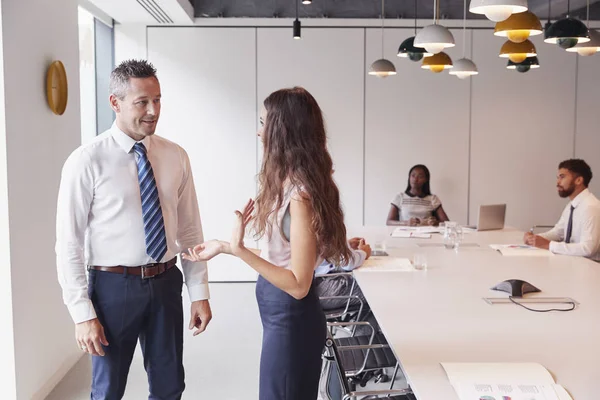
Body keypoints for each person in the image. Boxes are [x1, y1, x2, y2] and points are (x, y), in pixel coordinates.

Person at [56, 59, 212, 399]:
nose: (153, 110)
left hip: (166, 282)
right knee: (108, 389)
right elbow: (69, 244)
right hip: (112, 288)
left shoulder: (175, 156)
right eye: (142, 102)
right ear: (116, 102)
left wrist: (199, 291)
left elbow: (189, 231)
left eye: (157, 99)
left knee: (170, 385)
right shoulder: (87, 160)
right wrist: (82, 314)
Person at [183, 87, 352, 400]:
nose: (259, 132)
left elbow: (298, 284)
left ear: (281, 132)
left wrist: (240, 250)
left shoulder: (299, 197)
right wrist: (224, 246)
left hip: (291, 323)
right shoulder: (290, 185)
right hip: (284, 322)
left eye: (263, 123)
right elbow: (284, 257)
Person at [524, 159, 600, 261]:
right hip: (575, 263)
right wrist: (534, 239)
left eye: (562, 177)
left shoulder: (591, 207)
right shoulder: (571, 206)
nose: (558, 182)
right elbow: (557, 233)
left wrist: (549, 245)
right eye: (558, 178)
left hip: (591, 267)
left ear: (578, 180)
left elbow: (588, 249)